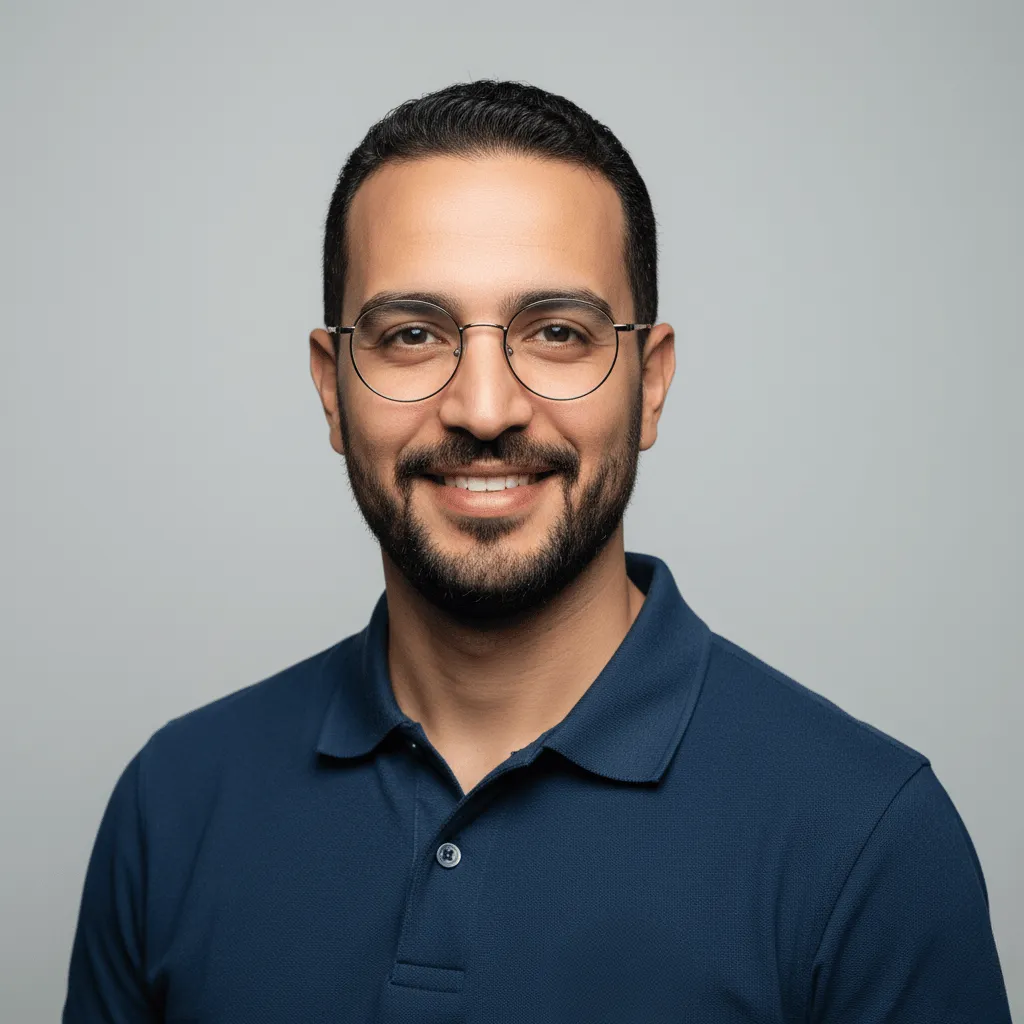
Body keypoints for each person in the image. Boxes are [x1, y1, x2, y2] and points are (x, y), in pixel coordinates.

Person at [64, 80, 1011, 1022]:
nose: (484, 408)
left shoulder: (869, 839)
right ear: (330, 388)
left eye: (557, 332)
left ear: (650, 384)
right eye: (411, 335)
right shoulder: (175, 802)